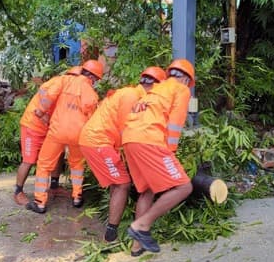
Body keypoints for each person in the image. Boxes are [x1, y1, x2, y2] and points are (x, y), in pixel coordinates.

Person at [78, 66, 165, 241]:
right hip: (98, 142)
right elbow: (128, 130)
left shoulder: (134, 95)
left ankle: (112, 228)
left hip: (102, 142)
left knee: (117, 183)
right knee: (123, 184)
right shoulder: (131, 96)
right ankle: (111, 234)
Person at [121, 58, 197, 255]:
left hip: (130, 140)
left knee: (146, 191)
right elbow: (175, 124)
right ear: (186, 80)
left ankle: (136, 246)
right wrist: (170, 153)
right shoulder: (181, 90)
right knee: (183, 187)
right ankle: (141, 226)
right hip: (149, 140)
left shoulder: (156, 89)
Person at [28, 59, 103, 214]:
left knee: (44, 164)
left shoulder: (65, 81)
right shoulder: (91, 92)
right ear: (93, 78)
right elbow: (92, 116)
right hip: (78, 134)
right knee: (77, 164)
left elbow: (49, 95)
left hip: (57, 131)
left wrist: (41, 111)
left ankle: (40, 201)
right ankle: (77, 196)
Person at [13, 65, 80, 206]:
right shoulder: (57, 83)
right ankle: (18, 191)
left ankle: (54, 187)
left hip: (51, 129)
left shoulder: (73, 90)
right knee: (29, 160)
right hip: (33, 126)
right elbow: (41, 105)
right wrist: (48, 119)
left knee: (58, 155)